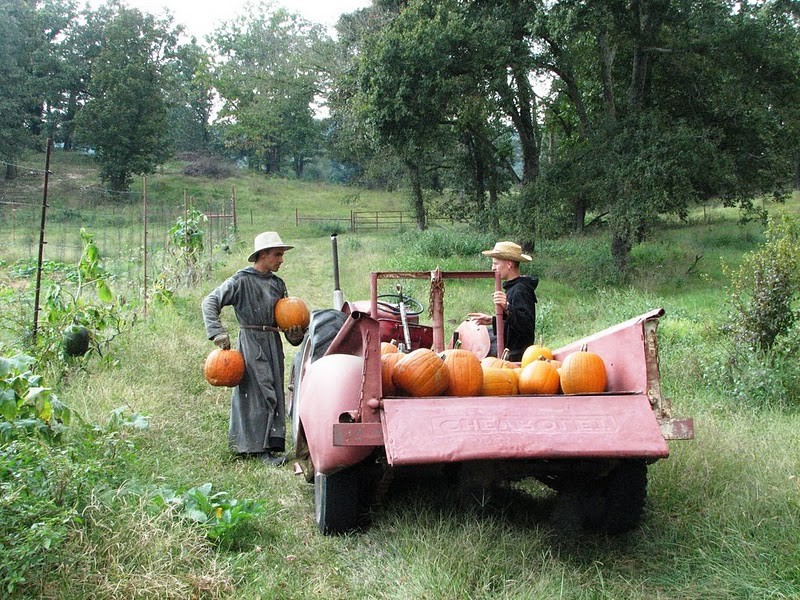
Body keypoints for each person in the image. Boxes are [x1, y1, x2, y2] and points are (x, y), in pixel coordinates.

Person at [201, 231, 305, 466]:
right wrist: (217, 332)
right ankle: (256, 450)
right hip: (251, 340)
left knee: (274, 390)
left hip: (272, 342)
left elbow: (286, 318)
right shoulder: (241, 280)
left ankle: (271, 442)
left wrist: (294, 335)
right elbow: (210, 301)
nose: (281, 260)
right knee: (259, 391)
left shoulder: (278, 284)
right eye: (277, 255)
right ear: (263, 255)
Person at [467, 240, 538, 362]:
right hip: (510, 352)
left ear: (509, 264)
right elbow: (513, 324)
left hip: (516, 357)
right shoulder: (513, 288)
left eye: (496, 264)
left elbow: (526, 327)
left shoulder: (520, 290)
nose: (492, 267)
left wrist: (507, 307)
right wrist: (493, 320)